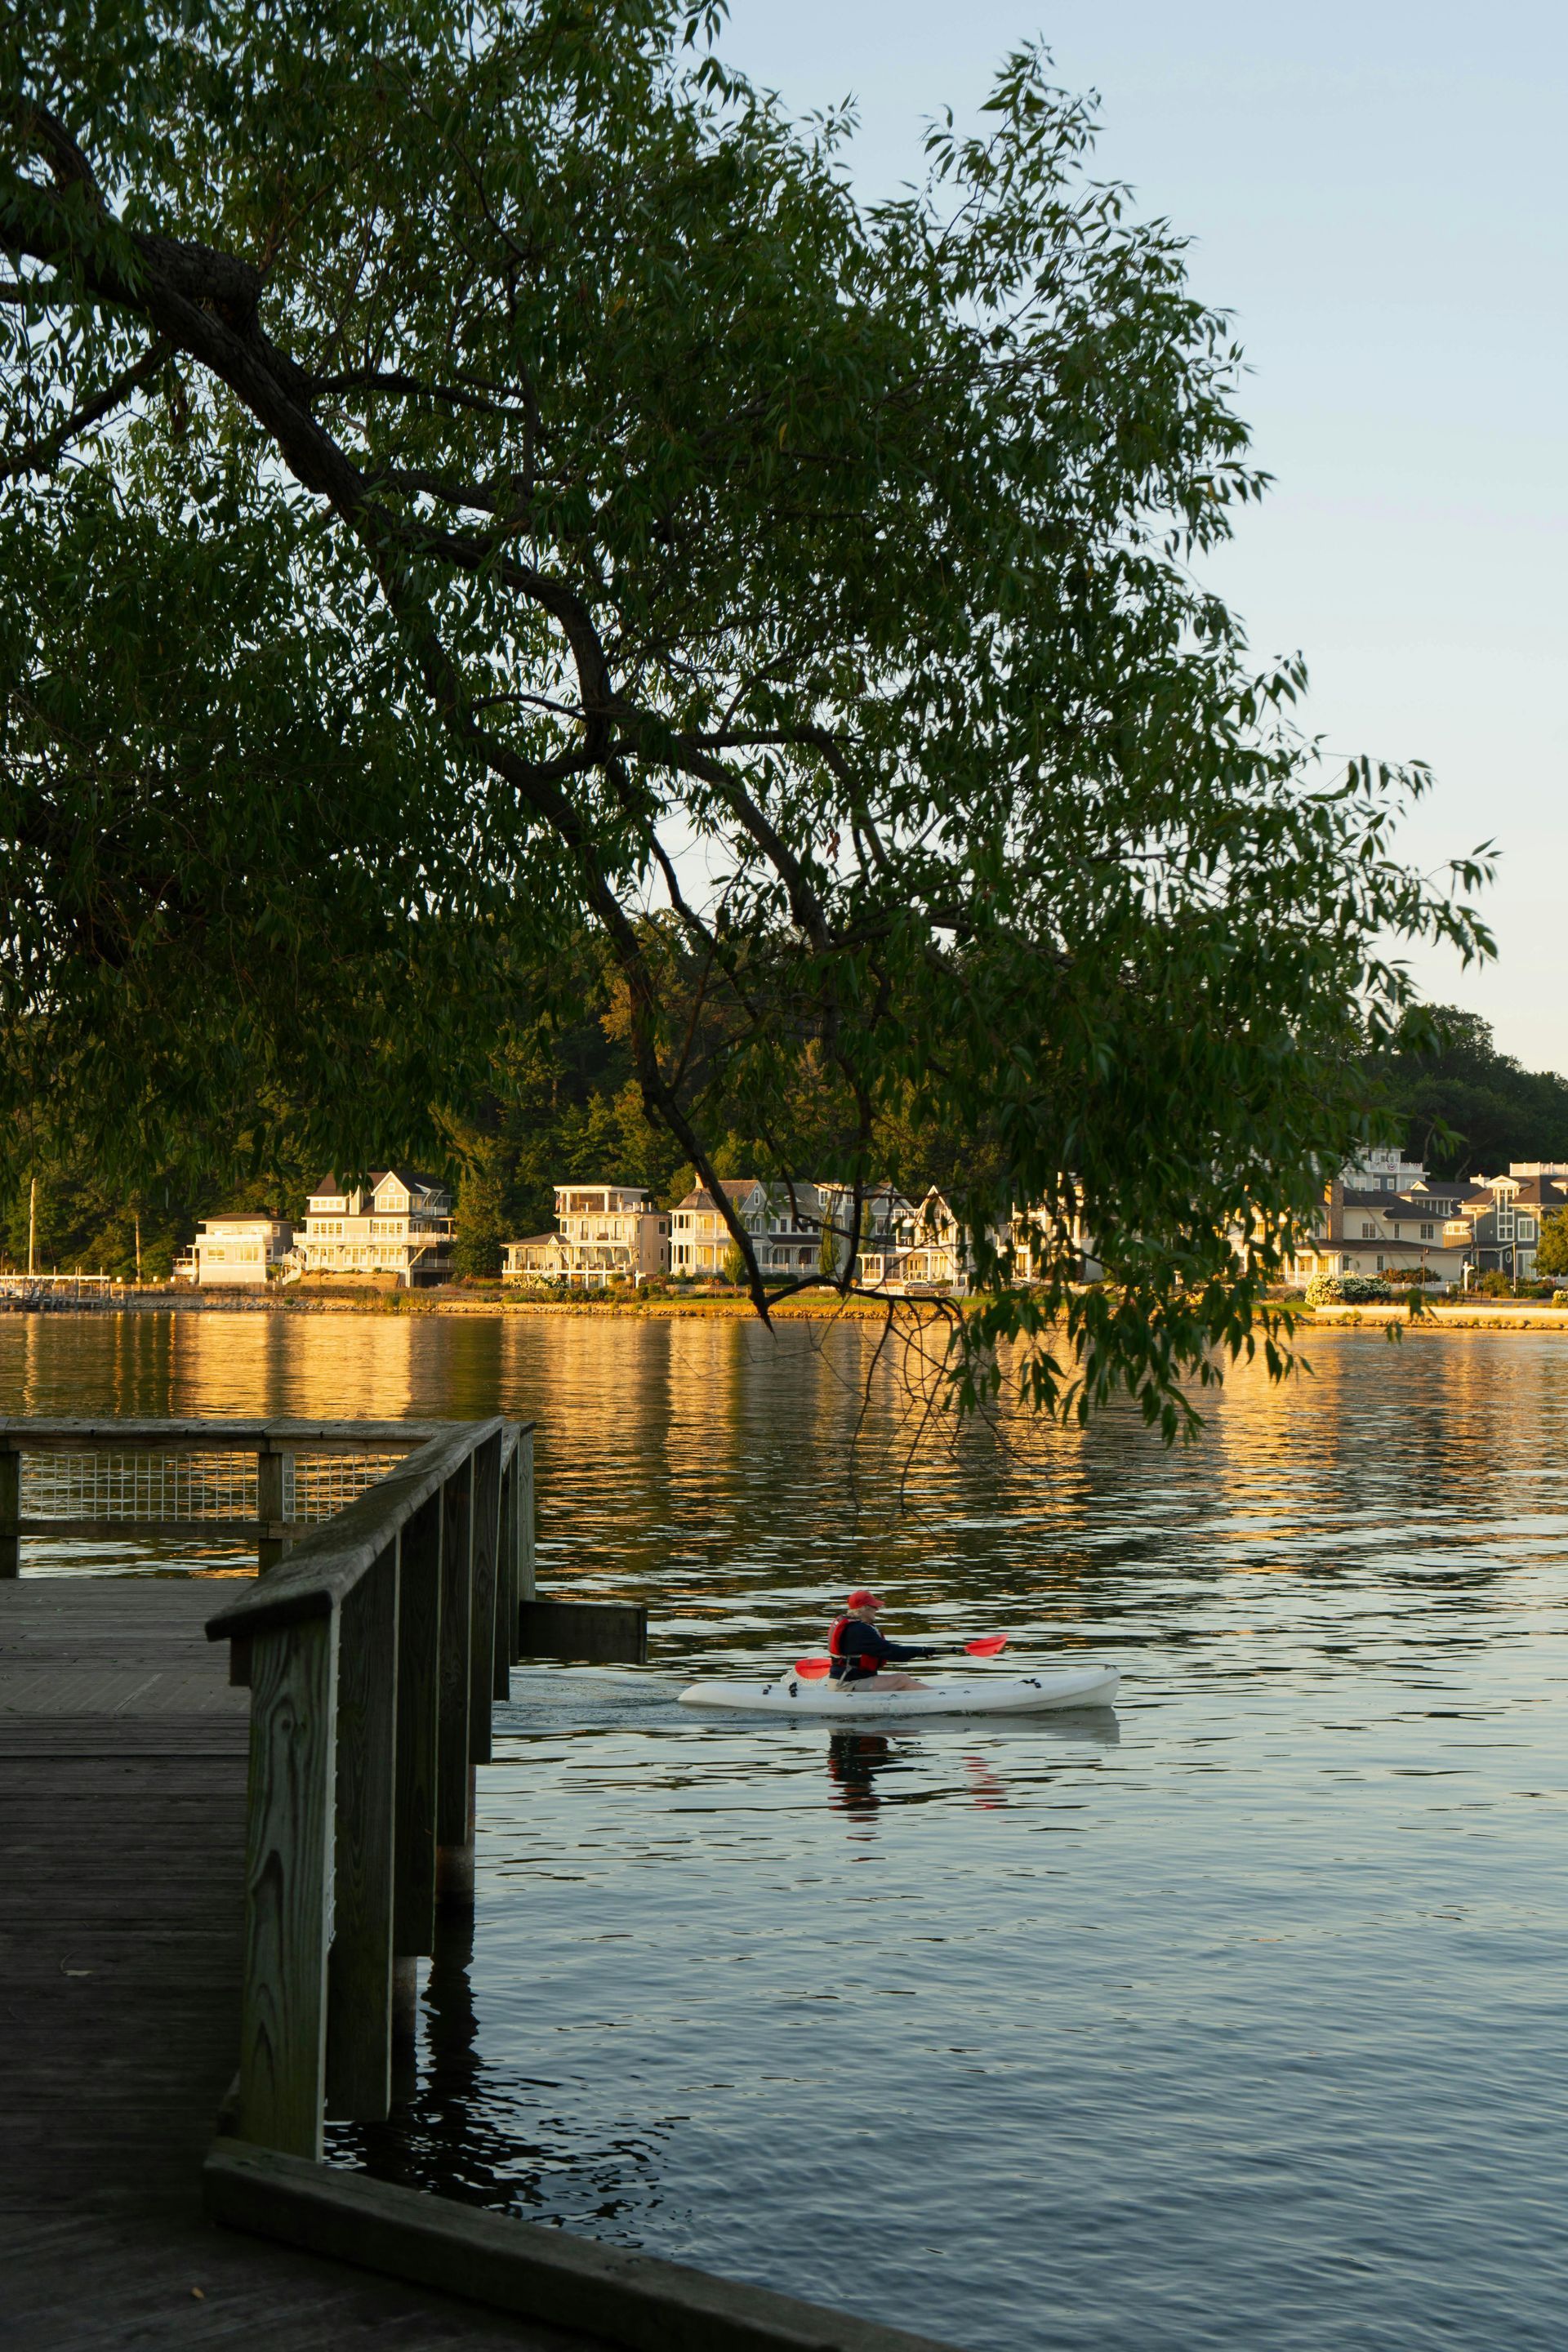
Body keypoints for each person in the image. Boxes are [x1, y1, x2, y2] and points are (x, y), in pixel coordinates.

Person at [826, 1589, 939, 1692]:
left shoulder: (853, 1627)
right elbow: (892, 1652)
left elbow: (885, 1650)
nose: (877, 1609)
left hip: (850, 1680)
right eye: (874, 1606)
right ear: (865, 1608)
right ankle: (939, 1697)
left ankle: (933, 1695)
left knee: (900, 1681)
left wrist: (922, 1652)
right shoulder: (858, 1630)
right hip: (846, 1685)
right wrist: (922, 1651)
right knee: (902, 1680)